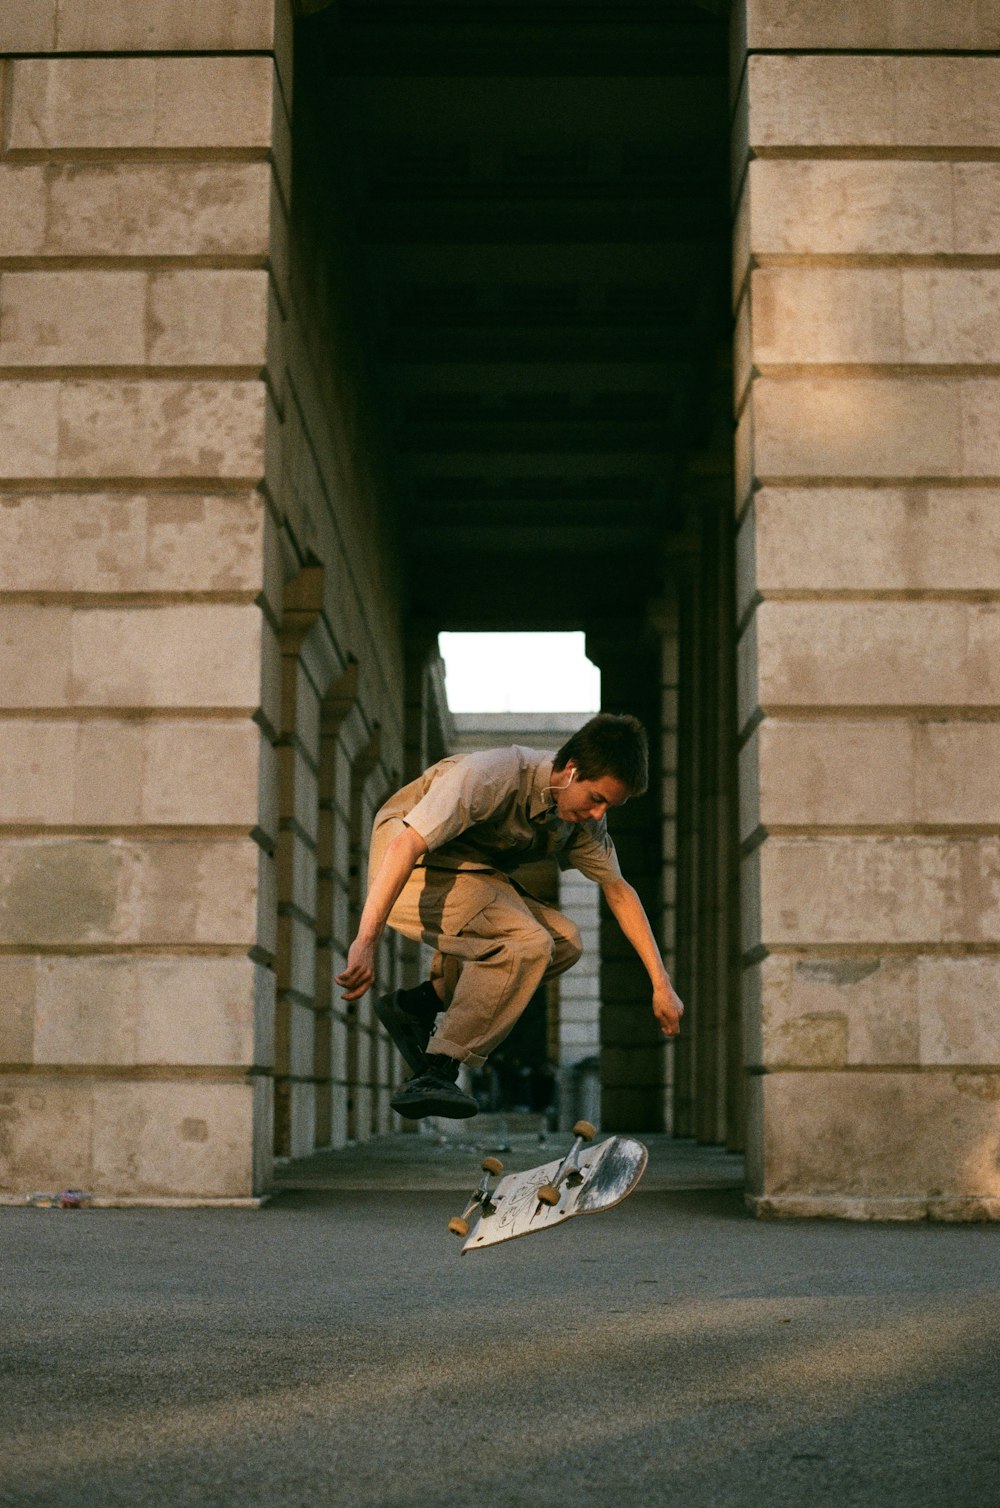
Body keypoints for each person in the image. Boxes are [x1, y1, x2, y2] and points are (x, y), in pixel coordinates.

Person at [335, 713, 684, 1120]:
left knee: (563, 942)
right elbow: (404, 847)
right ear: (570, 771)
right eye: (596, 798)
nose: (597, 814)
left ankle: (417, 1005)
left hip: (471, 876)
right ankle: (437, 1070)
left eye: (609, 806)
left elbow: (620, 892)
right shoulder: (493, 776)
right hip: (407, 868)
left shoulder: (580, 823)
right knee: (525, 943)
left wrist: (662, 984)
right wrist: (366, 940)